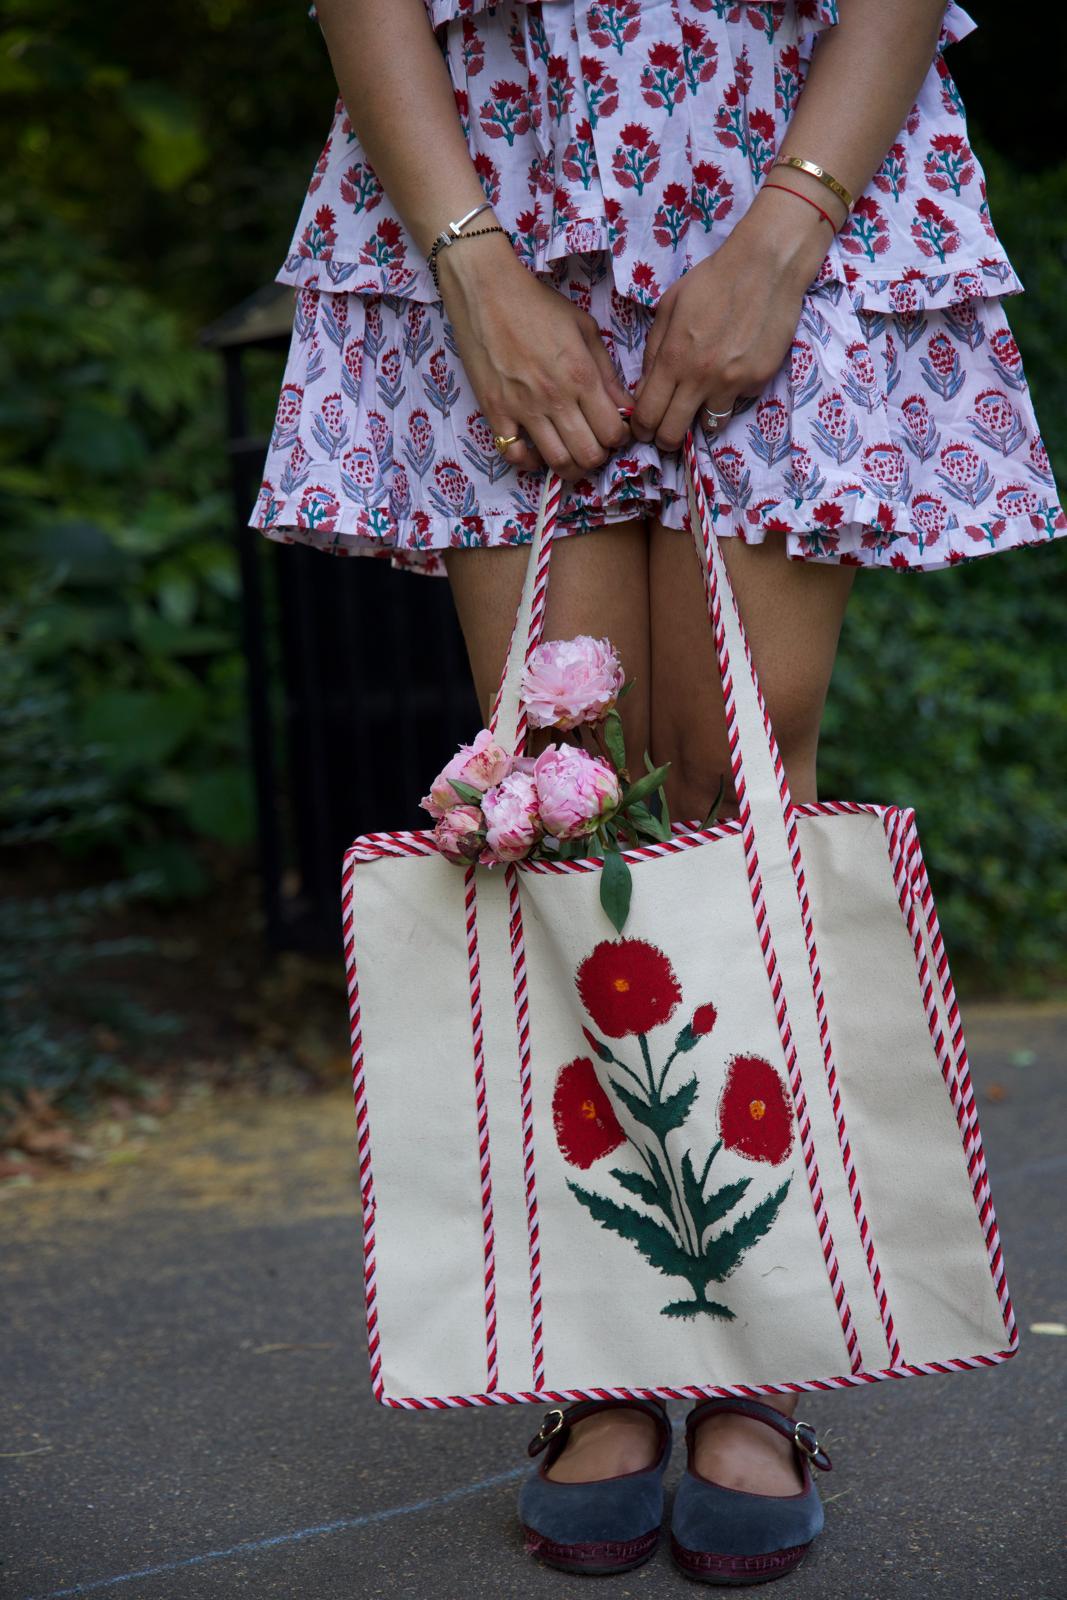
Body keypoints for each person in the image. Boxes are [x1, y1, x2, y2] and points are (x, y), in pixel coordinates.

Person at [251, 0, 1064, 1582]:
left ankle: (764, 1354)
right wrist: (472, 264)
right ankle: (604, 1348)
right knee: (570, 798)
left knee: (736, 779)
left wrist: (783, 233)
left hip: (787, 142)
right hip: (496, 164)